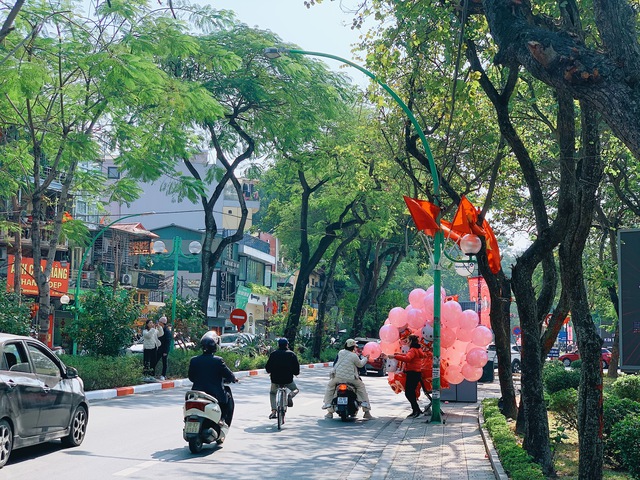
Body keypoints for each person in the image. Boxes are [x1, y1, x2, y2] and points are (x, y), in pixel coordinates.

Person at [188, 332, 237, 425]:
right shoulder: (218, 360)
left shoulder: (194, 360)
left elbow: (191, 377)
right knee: (227, 398)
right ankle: (222, 419)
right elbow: (229, 375)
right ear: (214, 347)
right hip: (215, 393)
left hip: (197, 393)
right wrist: (233, 378)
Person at [322, 338, 373, 419]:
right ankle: (366, 411)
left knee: (330, 387)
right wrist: (366, 358)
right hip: (351, 379)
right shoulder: (354, 356)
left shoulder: (340, 352)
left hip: (337, 378)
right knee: (361, 387)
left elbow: (335, 363)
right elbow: (360, 365)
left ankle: (328, 408)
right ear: (353, 347)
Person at [389, 334, 427, 418]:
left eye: (407, 341)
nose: (406, 343)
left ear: (411, 342)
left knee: (409, 393)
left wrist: (395, 356)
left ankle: (417, 410)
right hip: (416, 373)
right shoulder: (417, 349)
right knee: (411, 392)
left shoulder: (412, 350)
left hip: (412, 373)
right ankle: (416, 410)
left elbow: (408, 359)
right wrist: (398, 355)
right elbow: (408, 356)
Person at [265, 338, 300, 419]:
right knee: (296, 389)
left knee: (273, 393)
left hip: (275, 379)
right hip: (288, 380)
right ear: (287, 345)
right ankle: (290, 395)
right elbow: (296, 370)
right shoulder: (292, 354)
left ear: (278, 345)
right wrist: (294, 373)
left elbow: (267, 368)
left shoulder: (273, 354)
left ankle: (274, 411)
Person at [155, 315, 172, 380]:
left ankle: (163, 375)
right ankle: (151, 373)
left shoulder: (167, 331)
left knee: (164, 362)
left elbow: (168, 342)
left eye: (159, 322)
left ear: (162, 323)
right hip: (158, 349)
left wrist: (165, 351)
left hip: (164, 350)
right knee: (155, 361)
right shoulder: (159, 329)